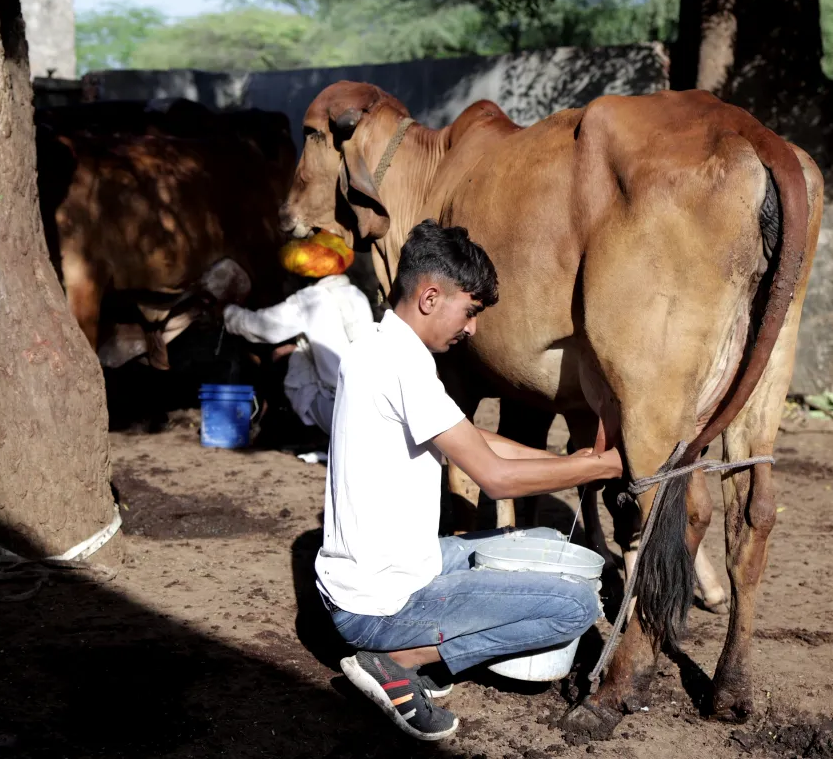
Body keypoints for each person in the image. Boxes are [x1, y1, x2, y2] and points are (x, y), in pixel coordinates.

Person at [318, 220, 624, 741]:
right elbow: (495, 478)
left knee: (547, 543)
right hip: (379, 606)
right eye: (471, 311)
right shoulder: (404, 366)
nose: (473, 329)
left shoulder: (377, 343)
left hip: (388, 572)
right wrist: (600, 468)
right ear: (431, 296)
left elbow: (473, 441)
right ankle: (395, 661)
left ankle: (422, 656)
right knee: (577, 604)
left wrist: (569, 459)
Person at [220, 270, 374, 435]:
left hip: (341, 410)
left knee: (282, 358)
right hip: (369, 403)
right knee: (291, 351)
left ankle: (288, 431)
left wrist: (227, 312)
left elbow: (262, 327)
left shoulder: (311, 298)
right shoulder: (356, 293)